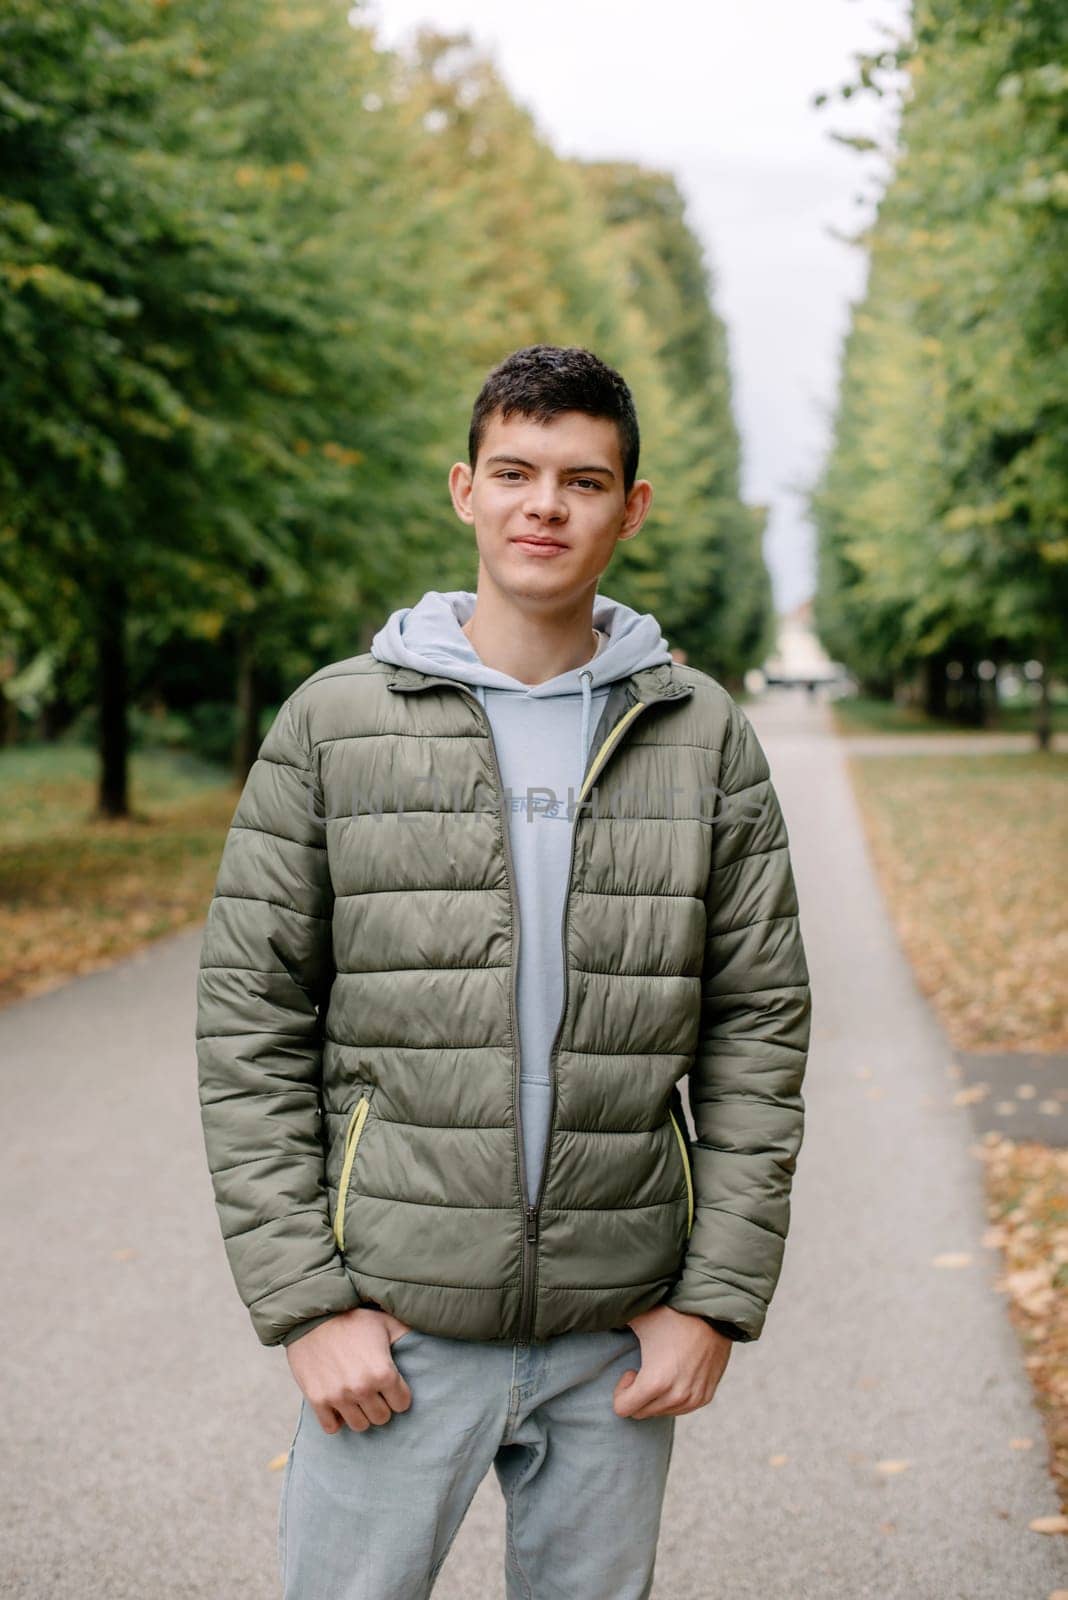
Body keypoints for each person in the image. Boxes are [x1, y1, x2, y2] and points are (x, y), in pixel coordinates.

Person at [195, 344, 812, 1599]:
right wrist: (310, 1307)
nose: (546, 504)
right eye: (516, 472)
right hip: (392, 1329)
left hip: (617, 1338)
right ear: (463, 489)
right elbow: (248, 1021)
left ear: (630, 509)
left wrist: (714, 1300)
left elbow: (759, 1029)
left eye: (583, 480)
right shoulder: (333, 723)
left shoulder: (703, 736)